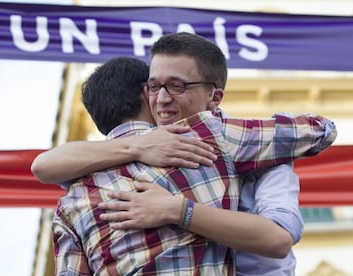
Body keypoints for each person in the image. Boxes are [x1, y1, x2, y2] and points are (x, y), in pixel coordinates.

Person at [32, 33, 337, 275]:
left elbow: (42, 167)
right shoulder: (207, 136)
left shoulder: (71, 198)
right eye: (156, 87)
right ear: (145, 93)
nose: (163, 99)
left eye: (176, 86)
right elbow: (320, 130)